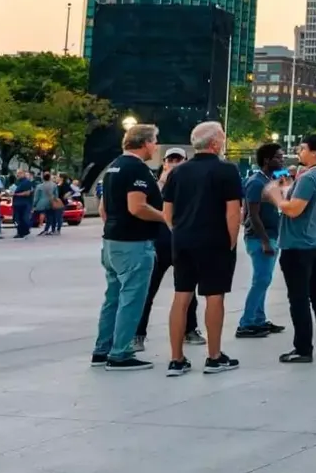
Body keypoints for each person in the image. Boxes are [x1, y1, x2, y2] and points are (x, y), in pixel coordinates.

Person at [161, 121, 242, 376]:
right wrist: (231, 241)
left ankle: (176, 359)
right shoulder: (226, 170)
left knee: (181, 296)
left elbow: (167, 212)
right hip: (214, 239)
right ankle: (214, 356)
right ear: (215, 143)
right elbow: (233, 211)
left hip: (183, 239)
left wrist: (179, 231)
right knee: (214, 296)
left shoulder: (177, 172)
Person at [91, 125, 166, 370]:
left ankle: (102, 349)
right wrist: (166, 218)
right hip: (134, 243)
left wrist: (115, 226)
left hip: (112, 241)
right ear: (145, 143)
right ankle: (121, 352)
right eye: (154, 141)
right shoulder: (136, 169)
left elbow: (103, 208)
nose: (155, 146)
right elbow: (137, 207)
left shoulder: (113, 168)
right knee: (132, 298)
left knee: (112, 297)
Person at [264, 133, 316, 363]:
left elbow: (294, 210)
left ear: (315, 152)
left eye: (303, 148)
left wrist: (277, 197)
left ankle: (303, 348)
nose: (299, 151)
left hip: (299, 245)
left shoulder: (309, 178)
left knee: (299, 298)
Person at [135, 148, 200, 354]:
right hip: (159, 242)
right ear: (164, 162)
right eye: (171, 159)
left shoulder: (190, 183)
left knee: (187, 289)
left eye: (178, 160)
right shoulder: (155, 183)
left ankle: (190, 329)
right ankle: (138, 333)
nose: (174, 163)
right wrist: (163, 182)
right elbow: (146, 206)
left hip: (182, 241)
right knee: (148, 290)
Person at [236, 143, 285, 339]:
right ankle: (246, 323)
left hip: (272, 234)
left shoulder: (270, 180)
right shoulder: (256, 183)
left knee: (264, 280)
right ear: (267, 160)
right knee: (261, 280)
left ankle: (258, 319)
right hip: (260, 237)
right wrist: (265, 241)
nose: (282, 160)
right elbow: (253, 214)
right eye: (278, 157)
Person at [10, 167, 36, 238]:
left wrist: (15, 194)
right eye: (17, 173)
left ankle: (23, 232)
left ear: (24, 174)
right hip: (17, 203)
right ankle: (22, 232)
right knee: (17, 218)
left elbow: (27, 193)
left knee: (23, 218)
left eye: (20, 173)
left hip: (24, 203)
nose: (17, 174)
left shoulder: (27, 182)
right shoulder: (17, 182)